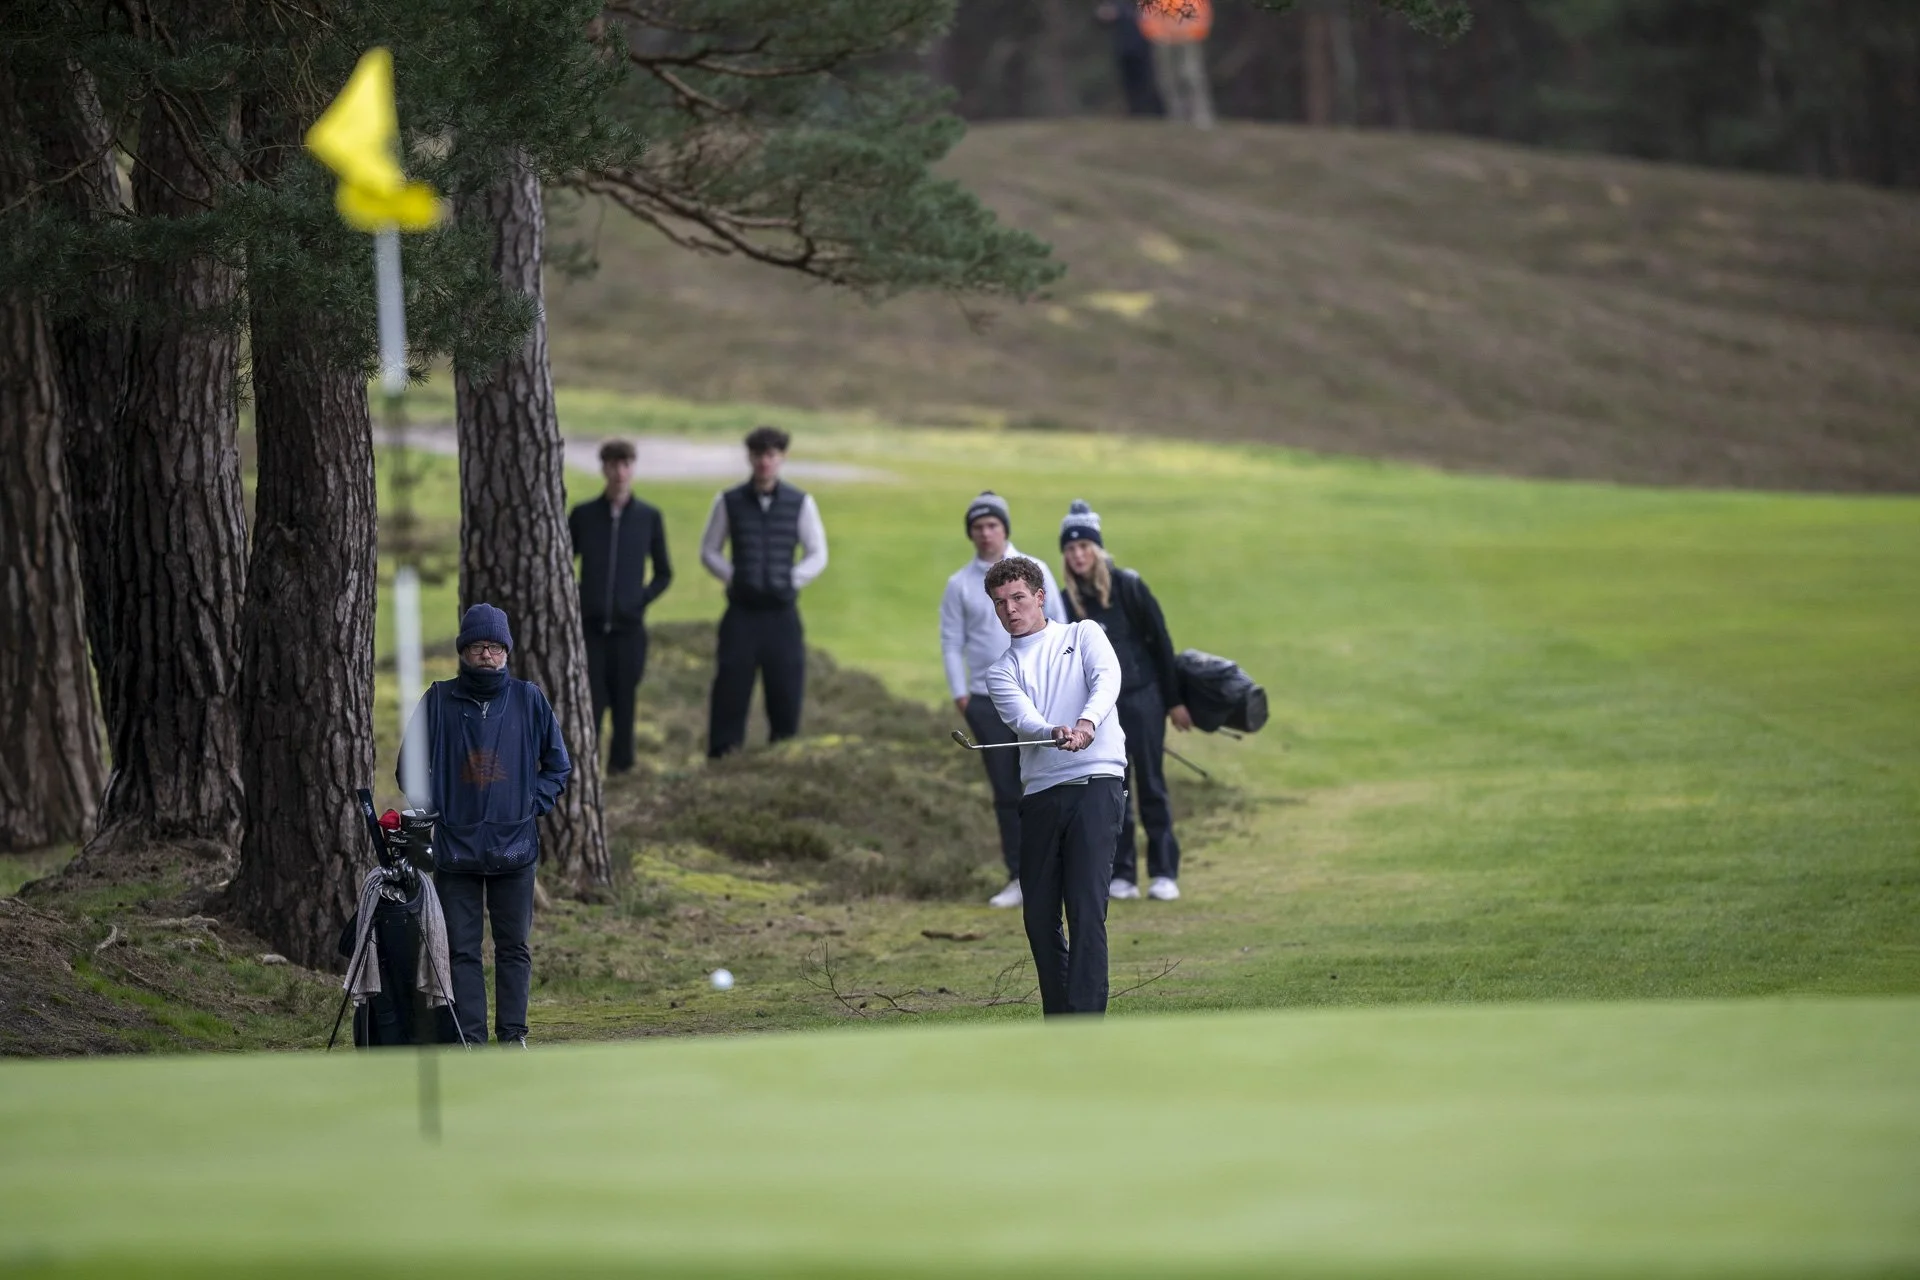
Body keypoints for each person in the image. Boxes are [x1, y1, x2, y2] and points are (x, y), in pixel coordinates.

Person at [399, 604, 572, 1047]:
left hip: (515, 849)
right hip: (456, 852)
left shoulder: (528, 698)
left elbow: (558, 764)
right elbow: (409, 769)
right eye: (478, 646)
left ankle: (513, 1036)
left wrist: (531, 803)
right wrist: (440, 810)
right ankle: (469, 1039)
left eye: (495, 647)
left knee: (514, 949)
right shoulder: (438, 699)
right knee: (462, 952)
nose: (487, 655)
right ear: (463, 651)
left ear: (506, 652)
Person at [984, 556, 1127, 1017]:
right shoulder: (1000, 671)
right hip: (1042, 794)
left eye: (1019, 598)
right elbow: (1023, 719)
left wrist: (1085, 724)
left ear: (1040, 597)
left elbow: (1107, 681)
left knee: (1086, 910)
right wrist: (1053, 732)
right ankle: (1060, 1018)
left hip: (1095, 784)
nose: (1010, 609)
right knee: (1039, 916)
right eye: (1000, 602)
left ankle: (1085, 1022)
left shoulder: (1083, 634)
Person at [1057, 499, 1193, 902]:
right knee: (1115, 788)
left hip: (1143, 699)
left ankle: (1164, 871)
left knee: (1151, 783)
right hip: (1101, 711)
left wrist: (1174, 701)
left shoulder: (1129, 587)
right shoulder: (1066, 602)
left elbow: (1161, 643)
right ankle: (1124, 874)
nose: (1078, 555)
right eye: (1070, 549)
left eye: (1084, 547)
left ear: (1097, 549)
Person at [939, 492, 1067, 909]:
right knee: (1007, 790)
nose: (985, 532)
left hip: (1041, 691)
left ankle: (1061, 865)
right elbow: (950, 640)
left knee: (1051, 778)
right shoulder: (959, 584)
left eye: (992, 525)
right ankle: (1020, 875)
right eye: (977, 527)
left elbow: (1061, 625)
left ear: (1004, 529)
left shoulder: (1036, 570)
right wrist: (961, 694)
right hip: (984, 697)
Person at [700, 425, 829, 758]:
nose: (764, 462)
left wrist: (791, 579)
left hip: (782, 617)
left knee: (785, 693)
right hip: (741, 616)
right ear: (750, 458)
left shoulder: (800, 502)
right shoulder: (728, 501)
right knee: (730, 692)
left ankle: (782, 760)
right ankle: (722, 761)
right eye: (758, 455)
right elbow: (710, 550)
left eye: (771, 455)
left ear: (781, 458)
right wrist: (734, 577)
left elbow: (817, 552)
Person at [568, 438, 673, 776]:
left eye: (625, 464)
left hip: (629, 630)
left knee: (625, 701)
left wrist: (638, 601)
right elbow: (562, 563)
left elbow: (663, 572)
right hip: (592, 630)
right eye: (613, 464)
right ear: (604, 468)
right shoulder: (584, 516)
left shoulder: (648, 517)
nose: (619, 471)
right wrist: (581, 597)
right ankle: (586, 767)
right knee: (592, 701)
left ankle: (623, 768)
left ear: (633, 468)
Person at [1139, 0, 1216, 129]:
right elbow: (1147, 13)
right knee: (1167, 79)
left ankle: (1201, 115)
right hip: (1162, 40)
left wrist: (1193, 32)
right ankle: (1176, 116)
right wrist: (1156, 34)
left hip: (1189, 39)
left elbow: (1203, 14)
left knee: (1192, 76)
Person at [1095, 2, 1166, 116]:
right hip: (1124, 49)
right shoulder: (1119, 5)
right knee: (1129, 84)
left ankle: (1158, 113)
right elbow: (1101, 17)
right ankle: (1136, 112)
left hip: (1144, 48)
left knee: (1149, 82)